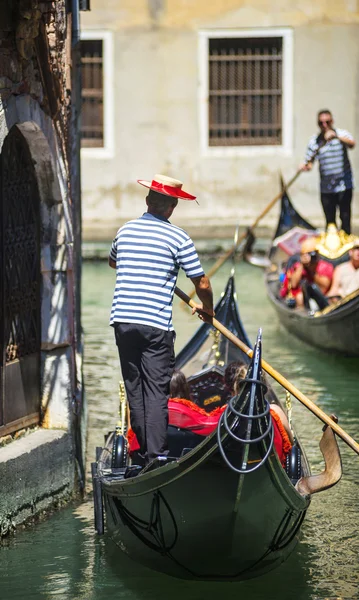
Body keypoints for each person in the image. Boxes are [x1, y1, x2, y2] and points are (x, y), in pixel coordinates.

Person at [109, 174, 214, 464]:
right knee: (156, 391)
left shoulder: (125, 230)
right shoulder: (178, 237)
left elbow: (113, 261)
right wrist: (208, 309)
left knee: (135, 388)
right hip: (155, 325)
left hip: (123, 321)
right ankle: (157, 456)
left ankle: (142, 452)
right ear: (171, 208)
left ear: (147, 201)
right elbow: (202, 283)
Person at [300, 109, 356, 234]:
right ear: (318, 124)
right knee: (330, 222)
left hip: (344, 186)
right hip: (326, 188)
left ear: (332, 121)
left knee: (345, 218)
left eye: (327, 122)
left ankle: (347, 247)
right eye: (321, 123)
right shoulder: (315, 142)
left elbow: (352, 144)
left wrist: (336, 136)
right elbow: (309, 163)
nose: (325, 125)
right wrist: (304, 167)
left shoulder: (342, 134)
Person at [280, 237, 334, 308]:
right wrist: (302, 265)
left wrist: (311, 270)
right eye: (304, 254)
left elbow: (325, 286)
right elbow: (293, 284)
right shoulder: (298, 267)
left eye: (310, 254)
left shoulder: (326, 266)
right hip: (305, 300)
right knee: (299, 297)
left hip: (323, 299)